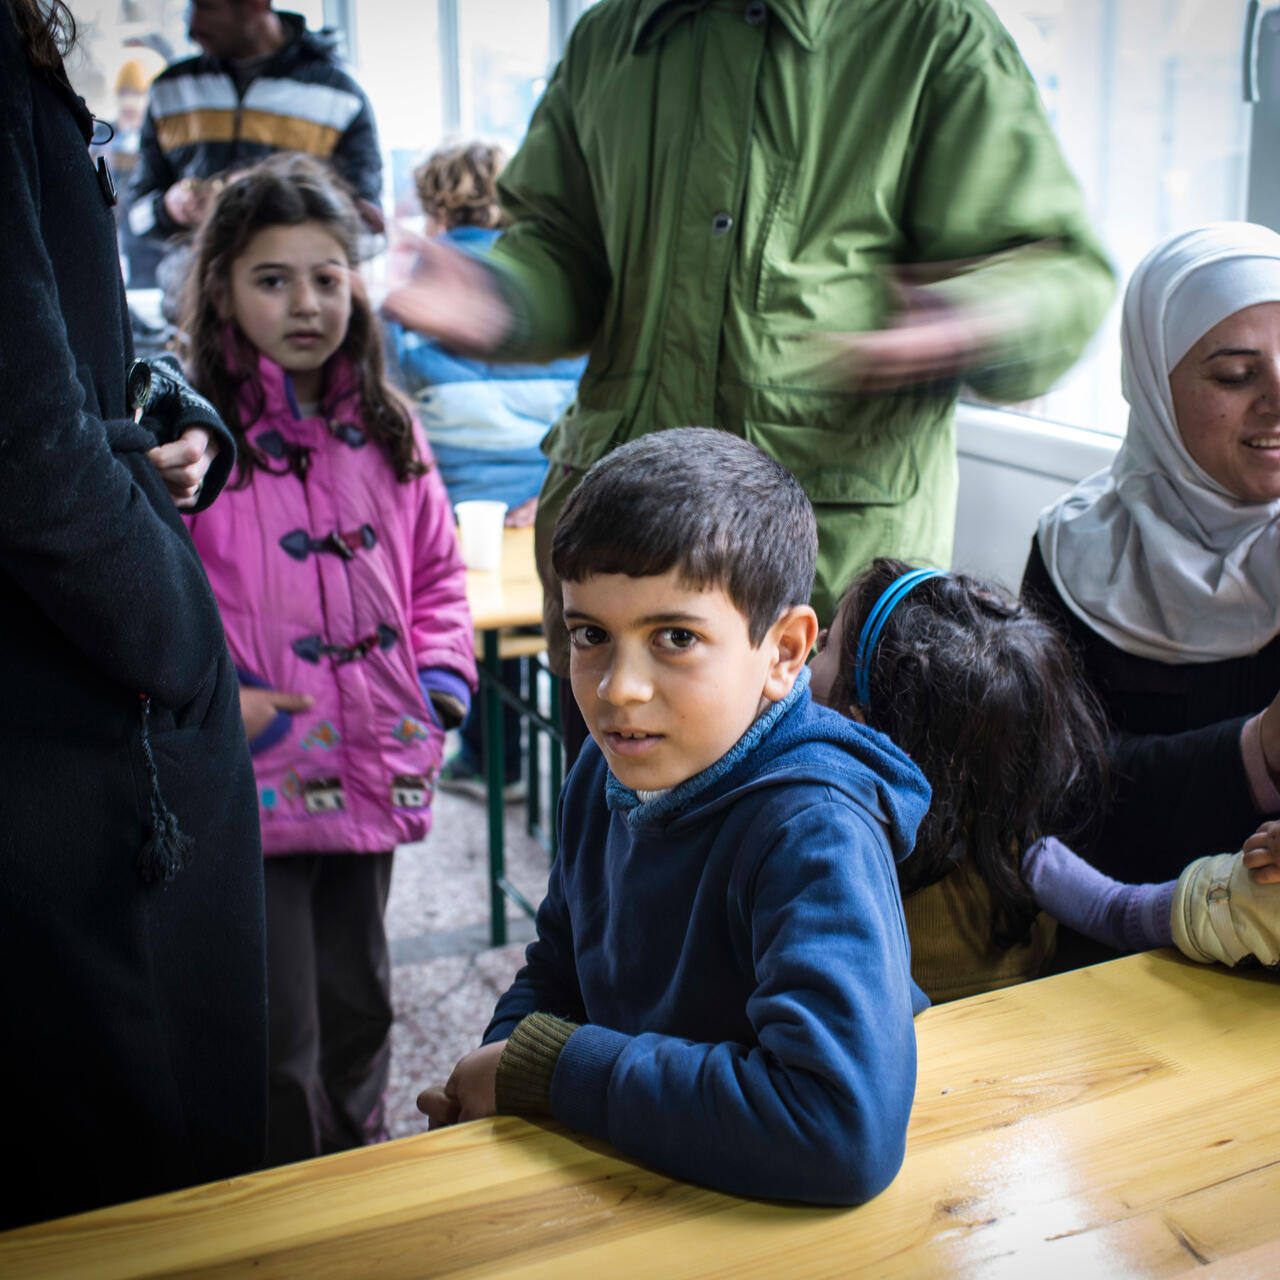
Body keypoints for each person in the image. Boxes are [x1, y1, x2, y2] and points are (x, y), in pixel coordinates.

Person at [381, 0, 1115, 721]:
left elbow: (1059, 271)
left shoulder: (932, 29)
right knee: (614, 831)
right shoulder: (611, 34)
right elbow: (559, 249)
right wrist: (500, 295)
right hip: (621, 567)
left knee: (810, 833)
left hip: (829, 593)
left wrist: (969, 317)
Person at [418, 428, 931, 1206]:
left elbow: (840, 1131)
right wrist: (504, 1063)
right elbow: (562, 958)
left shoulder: (813, 829)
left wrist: (554, 1070)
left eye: (676, 638)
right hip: (646, 1176)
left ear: (785, 651)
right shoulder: (609, 763)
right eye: (591, 634)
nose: (619, 689)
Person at [1, 0, 267, 1227]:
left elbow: (68, 332)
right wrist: (180, 641)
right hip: (68, 701)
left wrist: (155, 406)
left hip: (79, 661)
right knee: (137, 1169)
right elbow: (31, 451)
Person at [178, 153, 477, 1166]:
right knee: (277, 1034)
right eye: (272, 278)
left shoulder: (388, 430)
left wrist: (436, 687)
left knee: (361, 1005)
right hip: (254, 772)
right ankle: (287, 1201)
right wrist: (221, 709)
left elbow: (438, 575)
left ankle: (359, 1175)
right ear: (221, 285)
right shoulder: (194, 443)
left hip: (373, 751)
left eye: (326, 276)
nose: (305, 302)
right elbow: (167, 606)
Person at [809, 559, 1280, 999]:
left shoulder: (831, 854)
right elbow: (1120, 911)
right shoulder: (1025, 853)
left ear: (858, 726)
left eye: (826, 646)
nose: (814, 643)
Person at [1024, 222, 1280, 886]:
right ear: (1153, 385)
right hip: (1118, 936)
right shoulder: (1079, 553)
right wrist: (1256, 751)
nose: (1277, 400)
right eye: (1234, 374)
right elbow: (1058, 799)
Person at [384, 142, 585, 798]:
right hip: (551, 506)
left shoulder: (418, 293)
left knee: (475, 634)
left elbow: (394, 417)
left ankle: (494, 766)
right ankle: (567, 772)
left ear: (435, 205)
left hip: (460, 515)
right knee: (552, 634)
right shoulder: (554, 293)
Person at [127, 0, 383, 304]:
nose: (192, 26)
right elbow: (134, 217)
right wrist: (169, 208)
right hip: (195, 312)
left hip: (296, 316)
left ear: (256, 5)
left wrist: (274, 199)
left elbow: (370, 231)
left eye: (207, 6)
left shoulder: (339, 95)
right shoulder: (169, 89)